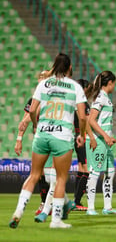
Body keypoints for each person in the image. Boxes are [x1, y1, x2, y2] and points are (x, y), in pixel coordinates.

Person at [9, 53, 87, 229]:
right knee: (60, 178)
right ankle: (56, 221)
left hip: (42, 133)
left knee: (34, 175)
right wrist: (81, 134)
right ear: (69, 68)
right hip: (62, 136)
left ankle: (18, 212)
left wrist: (37, 125)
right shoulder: (75, 87)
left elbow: (32, 110)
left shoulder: (43, 84)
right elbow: (82, 117)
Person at [85, 71, 116, 215]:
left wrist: (109, 136)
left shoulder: (105, 98)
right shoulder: (100, 98)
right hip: (98, 141)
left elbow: (103, 121)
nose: (114, 86)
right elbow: (91, 120)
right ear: (110, 83)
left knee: (110, 172)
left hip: (105, 141)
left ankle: (108, 207)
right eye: (114, 83)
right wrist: (105, 137)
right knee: (95, 172)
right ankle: (90, 208)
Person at [14, 70, 50, 216]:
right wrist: (19, 140)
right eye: (40, 76)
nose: (41, 79)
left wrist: (28, 119)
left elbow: (29, 117)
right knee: (40, 172)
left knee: (51, 173)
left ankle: (53, 203)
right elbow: (24, 121)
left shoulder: (50, 97)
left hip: (52, 136)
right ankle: (45, 203)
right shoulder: (33, 99)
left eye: (45, 77)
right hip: (40, 139)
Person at [73, 79, 91, 211]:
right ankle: (77, 202)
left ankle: (76, 201)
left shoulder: (71, 101)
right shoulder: (82, 104)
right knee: (86, 169)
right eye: (88, 89)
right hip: (81, 137)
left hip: (74, 136)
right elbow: (85, 120)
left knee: (80, 167)